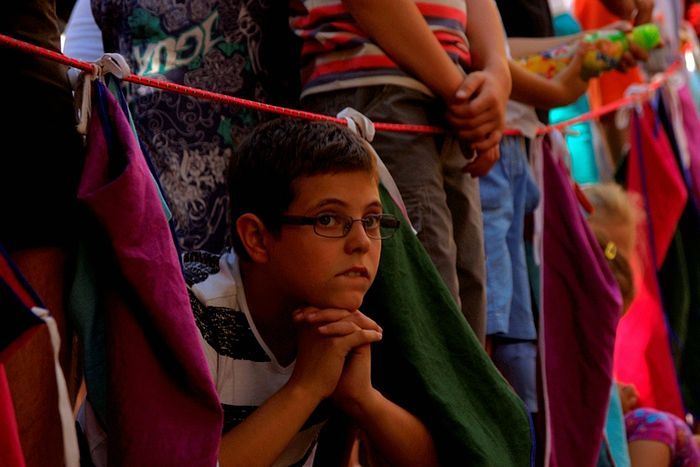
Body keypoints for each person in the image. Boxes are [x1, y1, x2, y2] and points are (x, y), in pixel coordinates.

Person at [184, 118, 439, 466]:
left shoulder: (347, 308)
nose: (362, 243)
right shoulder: (191, 313)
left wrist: (362, 399)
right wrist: (306, 388)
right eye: (328, 219)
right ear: (257, 238)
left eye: (371, 220)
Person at [291, 0, 512, 341]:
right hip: (373, 85)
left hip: (450, 93)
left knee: (465, 296)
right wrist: (464, 97)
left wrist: (498, 75)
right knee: (428, 301)